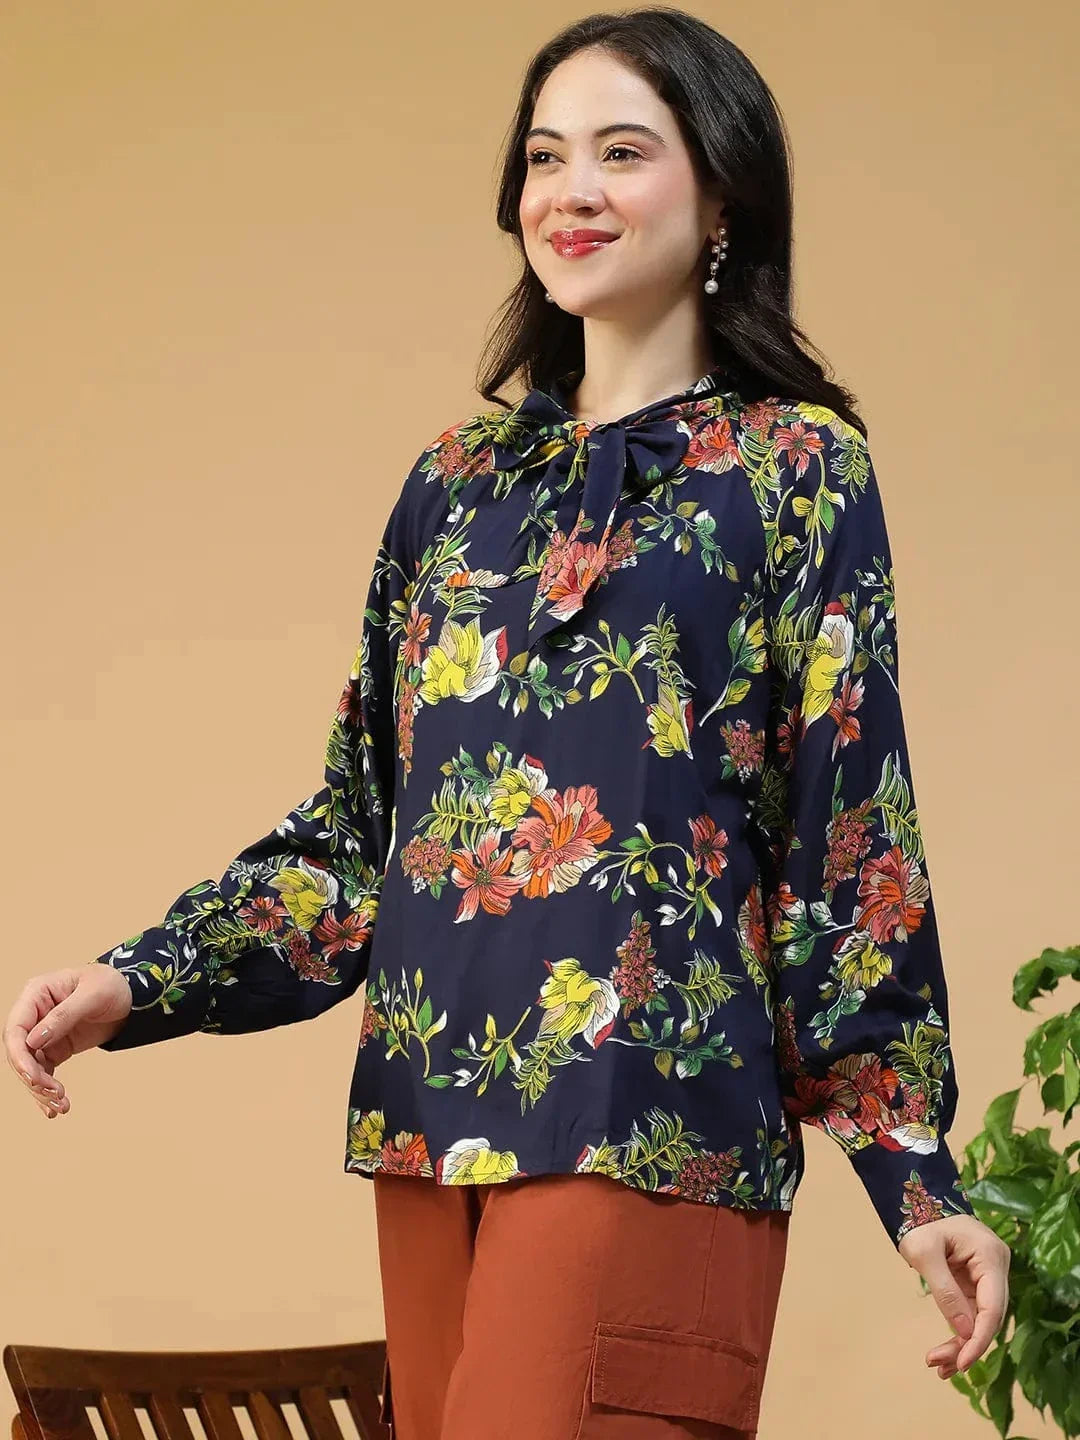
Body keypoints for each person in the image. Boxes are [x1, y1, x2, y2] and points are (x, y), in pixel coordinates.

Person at [5, 8, 1011, 1438]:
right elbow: (362, 836)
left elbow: (851, 846)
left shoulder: (797, 472)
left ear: (723, 194)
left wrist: (917, 1180)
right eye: (545, 157)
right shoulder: (454, 485)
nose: (571, 192)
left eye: (622, 152)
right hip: (425, 1133)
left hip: (651, 1126)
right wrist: (140, 983)